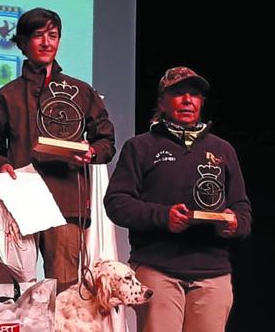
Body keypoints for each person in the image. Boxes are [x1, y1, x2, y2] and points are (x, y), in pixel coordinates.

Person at [104, 66, 252, 332]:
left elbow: (241, 207)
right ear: (161, 101)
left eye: (194, 95)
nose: (188, 100)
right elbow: (117, 202)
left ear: (201, 102)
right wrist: (163, 217)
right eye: (178, 93)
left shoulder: (222, 149)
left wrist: (235, 224)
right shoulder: (140, 147)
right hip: (158, 269)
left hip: (213, 273)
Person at [0, 7, 116, 293]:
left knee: (65, 293)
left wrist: (91, 152)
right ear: (22, 43)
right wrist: (0, 166)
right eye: (38, 36)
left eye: (53, 36)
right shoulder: (6, 97)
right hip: (21, 204)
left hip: (65, 204)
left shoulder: (80, 91)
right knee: (15, 293)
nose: (47, 43)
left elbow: (106, 142)